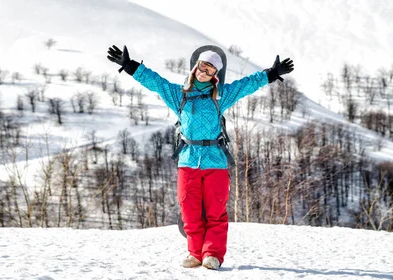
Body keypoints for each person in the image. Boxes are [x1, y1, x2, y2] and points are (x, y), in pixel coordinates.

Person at [107, 45, 293, 270]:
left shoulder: (221, 96)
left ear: (215, 74)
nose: (204, 72)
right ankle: (195, 253)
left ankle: (212, 254)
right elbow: (155, 82)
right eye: (203, 66)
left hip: (216, 161)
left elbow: (247, 85)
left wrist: (272, 73)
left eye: (210, 69)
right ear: (196, 67)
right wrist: (129, 66)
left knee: (215, 211)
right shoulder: (180, 96)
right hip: (187, 161)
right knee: (189, 210)